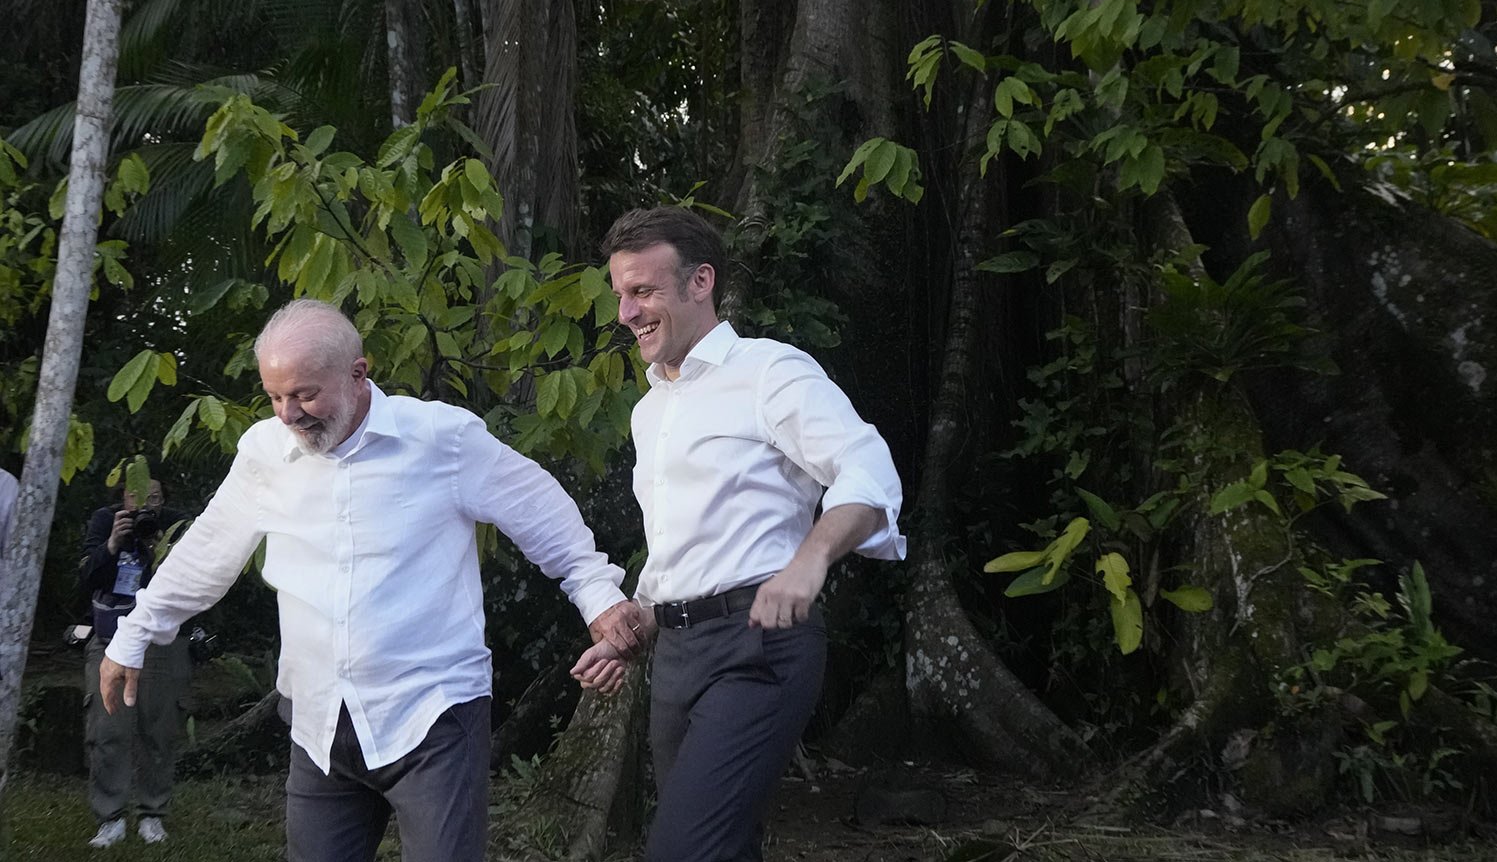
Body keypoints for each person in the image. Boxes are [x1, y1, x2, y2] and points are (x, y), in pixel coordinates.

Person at [100, 299, 643, 862]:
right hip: (317, 721)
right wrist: (137, 631)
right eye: (275, 396)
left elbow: (538, 509)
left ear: (359, 374)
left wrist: (598, 596)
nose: (288, 414)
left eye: (305, 394)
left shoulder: (440, 438)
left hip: (433, 717)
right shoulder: (264, 451)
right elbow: (209, 549)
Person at [573, 206, 907, 862]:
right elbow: (681, 546)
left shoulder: (769, 373)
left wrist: (812, 558)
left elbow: (866, 467)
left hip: (759, 647)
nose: (626, 314)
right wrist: (638, 619)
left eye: (642, 291)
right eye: (620, 295)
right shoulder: (650, 411)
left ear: (701, 282)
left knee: (683, 849)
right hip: (675, 658)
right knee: (723, 846)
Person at [78, 478, 190, 848]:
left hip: (160, 642)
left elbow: (191, 585)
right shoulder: (105, 521)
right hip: (109, 639)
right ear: (123, 498)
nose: (147, 505)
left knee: (159, 731)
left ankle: (152, 814)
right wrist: (113, 543)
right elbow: (86, 579)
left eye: (155, 498)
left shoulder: (174, 525)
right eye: (138, 497)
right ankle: (110, 818)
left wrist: (162, 550)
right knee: (107, 730)